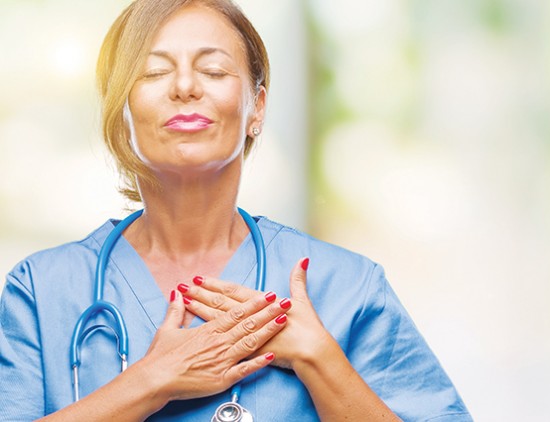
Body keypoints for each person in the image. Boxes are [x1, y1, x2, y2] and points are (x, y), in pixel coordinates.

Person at [0, 0, 472, 421]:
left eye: (214, 70)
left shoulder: (346, 288)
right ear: (119, 109)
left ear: (257, 108)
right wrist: (150, 381)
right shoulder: (43, 292)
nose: (185, 86)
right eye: (153, 71)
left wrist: (318, 359)